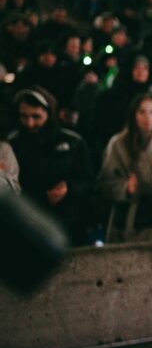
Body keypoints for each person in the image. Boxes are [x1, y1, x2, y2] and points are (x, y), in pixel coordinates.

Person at [9, 87, 95, 245]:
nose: (30, 123)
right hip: (27, 224)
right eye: (24, 116)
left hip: (67, 224)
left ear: (49, 114)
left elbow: (88, 179)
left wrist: (69, 187)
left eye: (36, 117)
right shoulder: (13, 145)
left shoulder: (73, 142)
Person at [96, 93, 152, 242]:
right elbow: (105, 182)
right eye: (142, 112)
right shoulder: (117, 144)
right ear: (133, 114)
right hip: (125, 217)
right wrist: (125, 188)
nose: (148, 117)